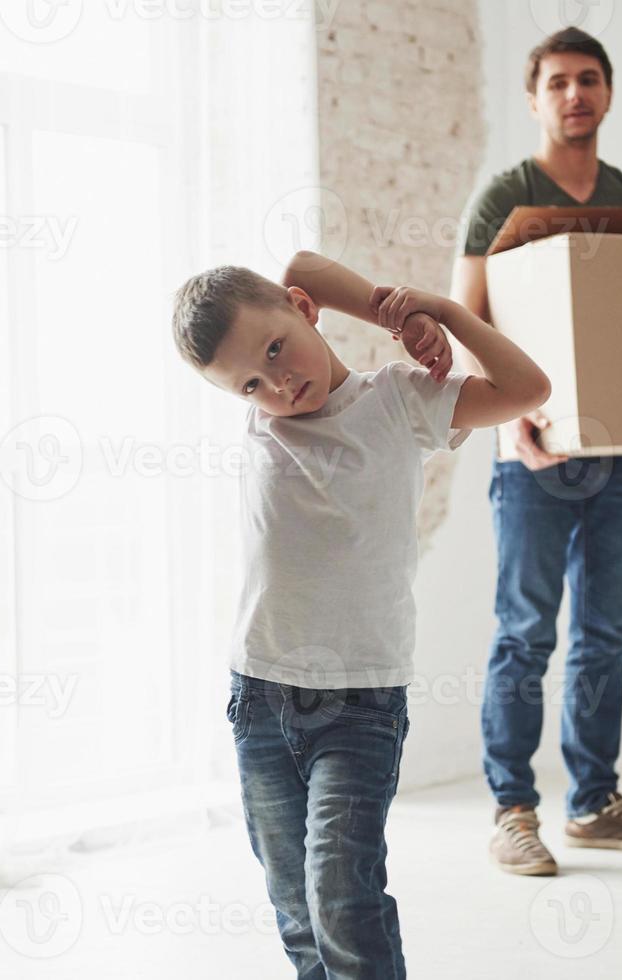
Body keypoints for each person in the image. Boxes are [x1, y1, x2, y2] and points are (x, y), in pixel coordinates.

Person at [171, 253, 549, 976]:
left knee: (341, 893)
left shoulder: (399, 400)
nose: (278, 382)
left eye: (277, 349)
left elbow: (527, 388)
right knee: (295, 906)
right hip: (259, 697)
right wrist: (286, 346)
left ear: (303, 308)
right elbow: (293, 281)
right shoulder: (264, 422)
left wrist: (425, 310)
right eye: (251, 382)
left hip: (360, 703)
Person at [450, 27, 622, 877]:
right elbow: (465, 312)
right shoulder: (506, 194)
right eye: (556, 82)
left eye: (588, 80)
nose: (573, 95)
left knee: (605, 633)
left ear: (608, 93)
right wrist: (507, 421)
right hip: (533, 452)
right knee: (524, 633)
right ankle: (513, 811)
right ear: (534, 99)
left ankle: (593, 803)